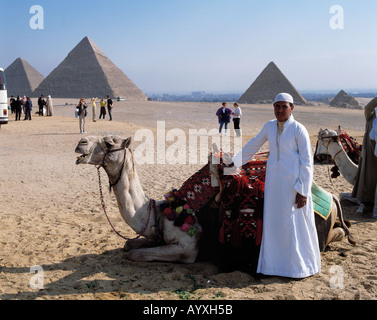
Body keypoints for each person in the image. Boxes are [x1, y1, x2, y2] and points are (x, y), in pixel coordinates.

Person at [231, 93, 320, 279]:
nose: (280, 110)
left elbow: (307, 162)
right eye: (277, 106)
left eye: (284, 106)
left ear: (292, 108)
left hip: (293, 186)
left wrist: (302, 190)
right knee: (274, 224)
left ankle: (298, 269)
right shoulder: (269, 126)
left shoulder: (298, 129)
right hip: (274, 185)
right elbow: (253, 145)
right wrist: (234, 162)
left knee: (292, 224)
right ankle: (273, 267)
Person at [351, 97, 377, 218]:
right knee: (369, 178)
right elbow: (368, 108)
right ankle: (366, 202)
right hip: (371, 155)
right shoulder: (371, 117)